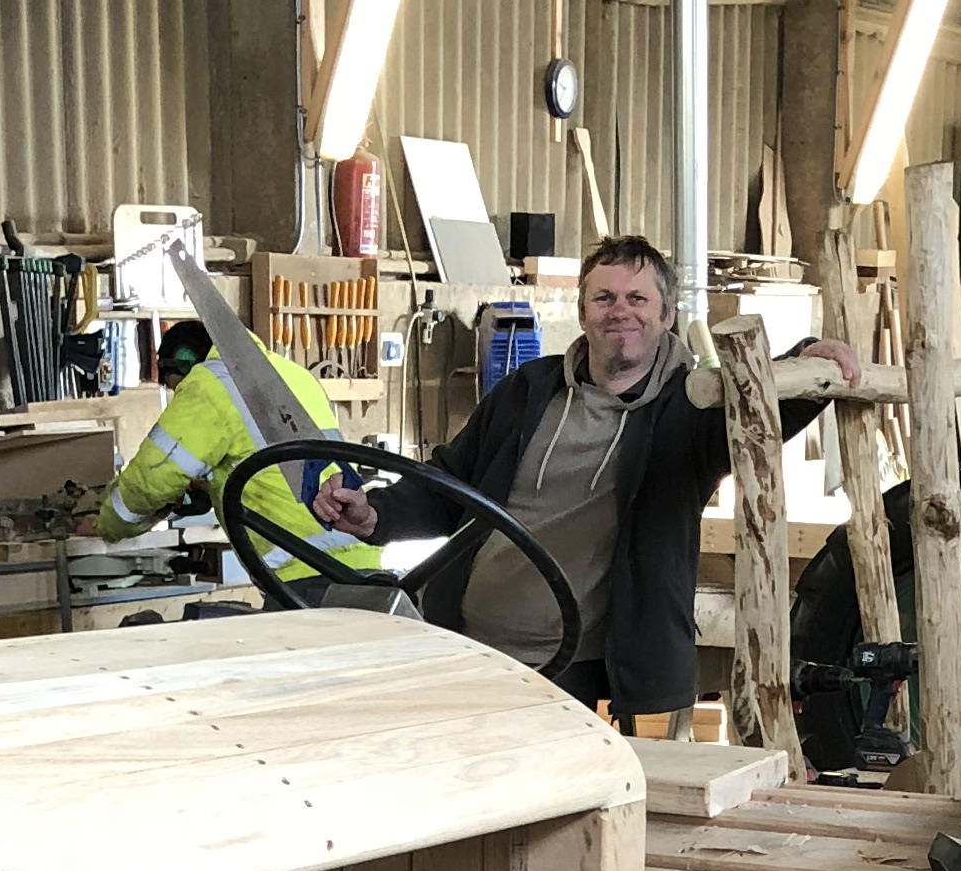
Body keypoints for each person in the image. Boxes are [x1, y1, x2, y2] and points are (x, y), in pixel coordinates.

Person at [311, 234, 861, 719]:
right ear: (582, 313)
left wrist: (807, 361)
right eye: (604, 298)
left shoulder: (691, 409)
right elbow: (452, 486)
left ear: (667, 315)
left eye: (637, 298)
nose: (619, 311)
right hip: (470, 647)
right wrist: (375, 512)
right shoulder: (527, 392)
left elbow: (759, 414)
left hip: (583, 673)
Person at [97, 317, 382, 591]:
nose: (178, 393)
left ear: (185, 362)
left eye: (175, 386)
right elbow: (271, 462)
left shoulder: (211, 381)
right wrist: (209, 486)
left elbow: (151, 480)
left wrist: (104, 524)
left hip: (305, 573)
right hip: (364, 561)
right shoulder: (294, 374)